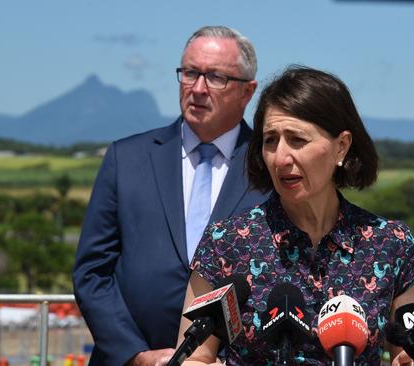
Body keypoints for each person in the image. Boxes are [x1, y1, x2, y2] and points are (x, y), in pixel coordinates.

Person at [175, 66, 414, 366]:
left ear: (341, 147)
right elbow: (194, 358)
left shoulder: (392, 245)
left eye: (297, 139)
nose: (281, 157)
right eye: (270, 140)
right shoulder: (226, 243)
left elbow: (408, 353)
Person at [73, 26, 269, 366]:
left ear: (247, 91)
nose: (198, 88)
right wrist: (135, 354)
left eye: (216, 77)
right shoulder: (127, 158)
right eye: (190, 73)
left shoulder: (269, 167)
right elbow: (92, 272)